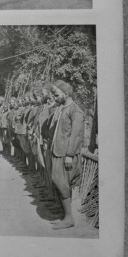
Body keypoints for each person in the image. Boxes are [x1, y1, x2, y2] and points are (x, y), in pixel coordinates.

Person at [50, 80, 85, 230]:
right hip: (58, 152)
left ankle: (69, 219)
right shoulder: (62, 108)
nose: (54, 97)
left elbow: (76, 136)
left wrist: (70, 155)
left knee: (62, 184)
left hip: (66, 154)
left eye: (56, 94)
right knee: (59, 183)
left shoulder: (75, 110)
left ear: (66, 93)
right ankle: (66, 215)